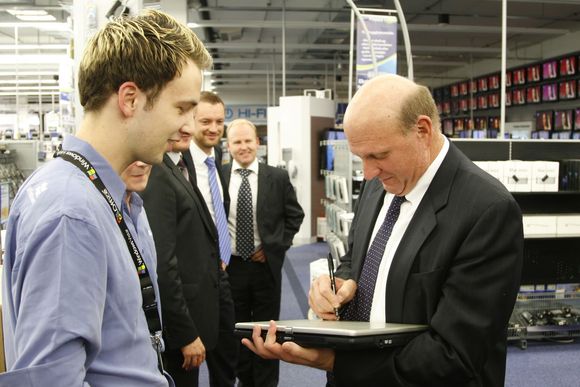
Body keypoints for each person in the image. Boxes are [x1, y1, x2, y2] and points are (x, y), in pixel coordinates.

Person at [242, 74, 523, 387]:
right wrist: (340, 283)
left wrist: (336, 362)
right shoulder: (381, 184)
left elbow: (453, 354)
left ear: (422, 131)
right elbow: (357, 257)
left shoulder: (486, 210)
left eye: (378, 155)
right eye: (361, 157)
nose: (368, 172)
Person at [0, 9, 211, 387]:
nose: (189, 128)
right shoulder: (72, 213)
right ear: (130, 99)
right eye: (181, 108)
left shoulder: (117, 198)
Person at [223, 119, 304, 387]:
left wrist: (274, 248)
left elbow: (295, 216)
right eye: (237, 142)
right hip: (231, 268)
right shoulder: (219, 177)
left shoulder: (277, 177)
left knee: (269, 331)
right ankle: (246, 380)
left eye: (248, 141)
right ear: (228, 145)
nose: (243, 147)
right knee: (239, 330)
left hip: (265, 268)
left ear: (258, 142)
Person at [174, 90, 238, 386]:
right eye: (205, 122)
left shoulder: (218, 160)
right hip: (192, 281)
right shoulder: (178, 163)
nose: (213, 128)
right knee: (189, 364)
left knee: (226, 357)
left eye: (219, 122)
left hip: (221, 274)